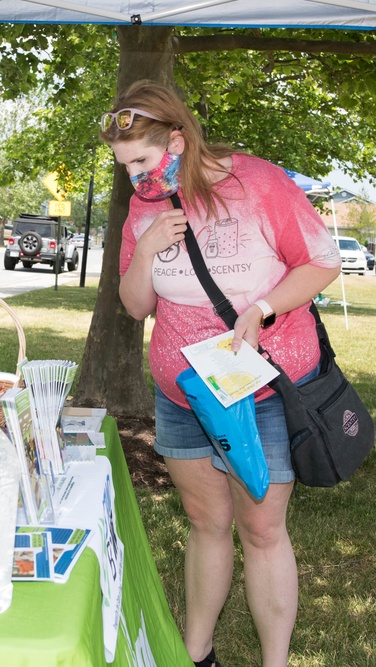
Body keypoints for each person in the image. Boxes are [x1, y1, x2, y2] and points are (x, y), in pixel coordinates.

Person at [101, 81, 340, 667]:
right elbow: (134, 306)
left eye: (142, 161)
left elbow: (321, 261)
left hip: (260, 388)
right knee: (206, 523)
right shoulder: (146, 204)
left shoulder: (256, 183)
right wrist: (152, 244)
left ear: (178, 140)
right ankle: (195, 654)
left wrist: (263, 309)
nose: (135, 176)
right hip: (183, 395)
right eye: (124, 166)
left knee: (261, 531)